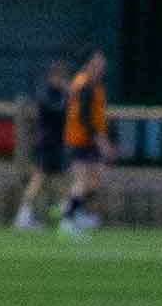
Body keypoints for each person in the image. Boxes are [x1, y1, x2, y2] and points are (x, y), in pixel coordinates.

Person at [11, 62, 69, 231]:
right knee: (39, 178)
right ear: (52, 77)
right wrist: (68, 96)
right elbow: (55, 110)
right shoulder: (46, 94)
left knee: (57, 179)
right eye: (60, 77)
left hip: (56, 144)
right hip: (47, 144)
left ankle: (63, 215)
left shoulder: (59, 94)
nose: (63, 81)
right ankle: (24, 216)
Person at [61, 53, 110, 233]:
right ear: (89, 64)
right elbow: (83, 117)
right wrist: (101, 140)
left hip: (89, 139)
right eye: (98, 64)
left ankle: (72, 209)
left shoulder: (92, 85)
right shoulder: (84, 85)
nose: (102, 68)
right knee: (82, 180)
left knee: (97, 178)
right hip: (80, 139)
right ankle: (67, 220)